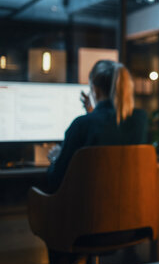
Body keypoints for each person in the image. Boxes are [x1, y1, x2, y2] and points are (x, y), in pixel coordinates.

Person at [46, 60, 148, 192]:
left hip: (89, 209)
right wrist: (93, 113)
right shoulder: (140, 119)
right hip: (131, 207)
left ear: (95, 89)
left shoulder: (81, 124)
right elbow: (112, 132)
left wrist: (55, 159)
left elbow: (56, 180)